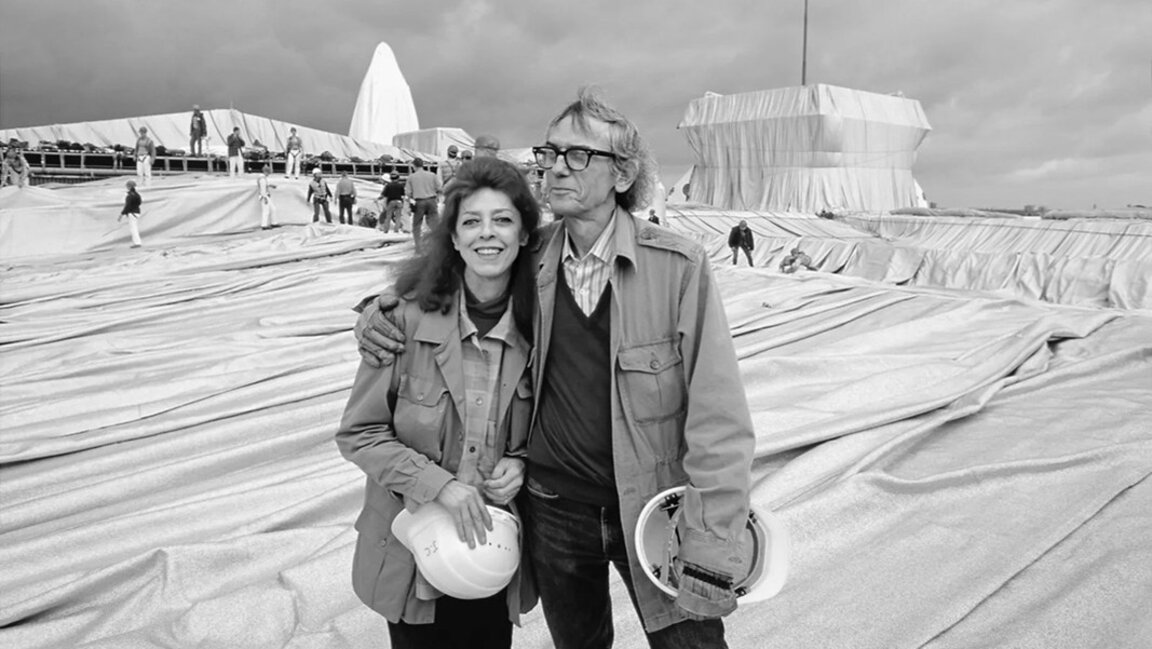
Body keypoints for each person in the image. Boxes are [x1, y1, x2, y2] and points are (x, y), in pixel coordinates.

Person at [354, 88, 756, 649]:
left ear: (623, 174)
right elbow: (453, 275)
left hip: (653, 506)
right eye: (551, 152)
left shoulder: (677, 269)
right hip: (555, 510)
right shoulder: (529, 256)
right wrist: (379, 311)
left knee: (690, 643)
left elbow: (720, 415)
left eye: (578, 155)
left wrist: (714, 541)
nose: (556, 168)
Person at [336, 157, 542, 649]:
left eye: (503, 220)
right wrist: (439, 486)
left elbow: (561, 425)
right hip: (414, 553)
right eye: (471, 221)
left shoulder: (545, 332)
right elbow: (359, 434)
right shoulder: (402, 323)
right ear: (452, 237)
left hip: (494, 550)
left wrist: (524, 462)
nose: (486, 235)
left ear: (526, 235)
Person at [406, 158, 443, 252]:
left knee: (417, 225)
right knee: (434, 224)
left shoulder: (411, 177)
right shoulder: (432, 175)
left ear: (414, 166)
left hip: (419, 202)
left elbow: (408, 193)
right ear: (423, 165)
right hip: (432, 201)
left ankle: (418, 248)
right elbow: (439, 188)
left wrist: (409, 207)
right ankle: (439, 245)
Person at [118, 179, 143, 248]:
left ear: (129, 187)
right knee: (135, 228)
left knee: (133, 229)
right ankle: (137, 242)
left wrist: (121, 214)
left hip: (132, 213)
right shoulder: (137, 195)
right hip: (137, 212)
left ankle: (137, 243)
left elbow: (127, 206)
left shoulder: (129, 195)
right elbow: (140, 202)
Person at [256, 164, 278, 230]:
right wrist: (265, 198)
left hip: (266, 195)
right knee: (266, 211)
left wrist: (270, 185)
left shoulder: (263, 178)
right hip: (264, 196)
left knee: (273, 209)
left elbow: (265, 185)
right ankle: (264, 225)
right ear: (266, 172)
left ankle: (274, 222)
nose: (269, 174)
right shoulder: (262, 179)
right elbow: (262, 189)